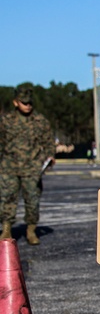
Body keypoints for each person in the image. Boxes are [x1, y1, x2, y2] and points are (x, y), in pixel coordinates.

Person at [0, 84, 54, 245]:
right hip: (9, 167)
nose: (28, 105)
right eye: (24, 102)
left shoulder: (40, 121)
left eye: (30, 103)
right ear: (15, 102)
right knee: (6, 199)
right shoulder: (5, 121)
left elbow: (48, 142)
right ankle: (7, 228)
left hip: (32, 168)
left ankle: (31, 230)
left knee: (32, 200)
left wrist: (49, 156)